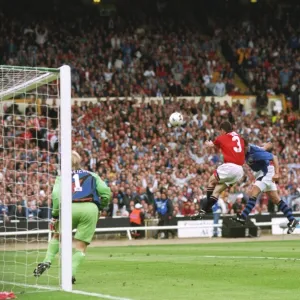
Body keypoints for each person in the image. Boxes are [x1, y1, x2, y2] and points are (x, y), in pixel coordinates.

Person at [33, 151, 111, 283]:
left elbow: (56, 195)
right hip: (89, 208)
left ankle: (47, 260)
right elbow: (106, 193)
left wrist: (55, 215)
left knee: (57, 235)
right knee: (81, 246)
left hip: (69, 208)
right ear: (79, 161)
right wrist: (100, 208)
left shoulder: (62, 177)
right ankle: (71, 273)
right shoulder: (92, 175)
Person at [231, 142, 299, 234]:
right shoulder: (246, 151)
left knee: (253, 192)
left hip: (266, 173)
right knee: (276, 199)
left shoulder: (255, 153)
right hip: (262, 173)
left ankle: (243, 217)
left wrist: (277, 173)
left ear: (246, 147)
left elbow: (274, 157)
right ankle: (292, 220)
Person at [193, 121, 245, 219]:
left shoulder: (222, 137)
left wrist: (208, 143)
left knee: (211, 180)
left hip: (230, 166)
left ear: (223, 130)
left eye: (220, 131)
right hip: (239, 171)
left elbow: (212, 144)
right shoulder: (239, 137)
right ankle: (204, 210)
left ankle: (207, 207)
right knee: (216, 190)